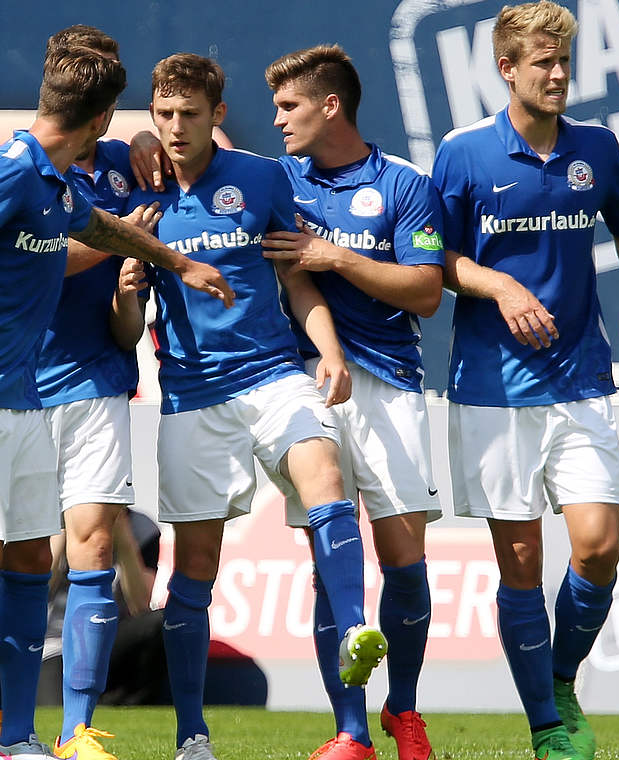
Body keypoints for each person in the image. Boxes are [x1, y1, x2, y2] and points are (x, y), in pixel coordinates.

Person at [0, 46, 233, 760]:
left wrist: (179, 264)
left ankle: (16, 735)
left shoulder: (55, 182)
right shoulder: (11, 170)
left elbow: (99, 227)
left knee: (23, 565)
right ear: (104, 116)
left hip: (19, 398)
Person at [125, 53, 386, 760]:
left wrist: (326, 349)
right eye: (165, 114)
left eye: (190, 114)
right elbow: (127, 330)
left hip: (272, 373)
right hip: (190, 395)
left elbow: (297, 279)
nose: (176, 128)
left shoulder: (261, 178)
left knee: (325, 472)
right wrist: (126, 285)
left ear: (218, 117)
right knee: (194, 568)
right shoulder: (137, 194)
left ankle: (358, 636)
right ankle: (191, 736)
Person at [431, 3, 619, 759]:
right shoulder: (463, 154)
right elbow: (436, 264)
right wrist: (497, 286)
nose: (558, 74)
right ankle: (546, 728)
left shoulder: (596, 146)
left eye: (564, 61)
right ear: (507, 69)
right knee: (522, 563)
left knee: (598, 547)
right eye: (542, 63)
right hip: (493, 388)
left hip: (581, 378)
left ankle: (560, 678)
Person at [0, 24, 161, 760]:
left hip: (98, 381)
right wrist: (121, 240)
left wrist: (146, 141)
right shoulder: (12, 169)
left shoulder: (124, 163)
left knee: (89, 547)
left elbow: (185, 150)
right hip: (19, 386)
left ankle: (78, 730)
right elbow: (28, 257)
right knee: (15, 561)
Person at [259, 44, 445, 760]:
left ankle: (402, 709)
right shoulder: (279, 179)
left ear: (330, 105)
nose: (277, 120)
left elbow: (426, 292)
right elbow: (198, 151)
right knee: (327, 554)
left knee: (404, 561)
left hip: (391, 381)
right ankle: (349, 732)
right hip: (307, 378)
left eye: (289, 106)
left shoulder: (403, 183)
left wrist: (336, 257)